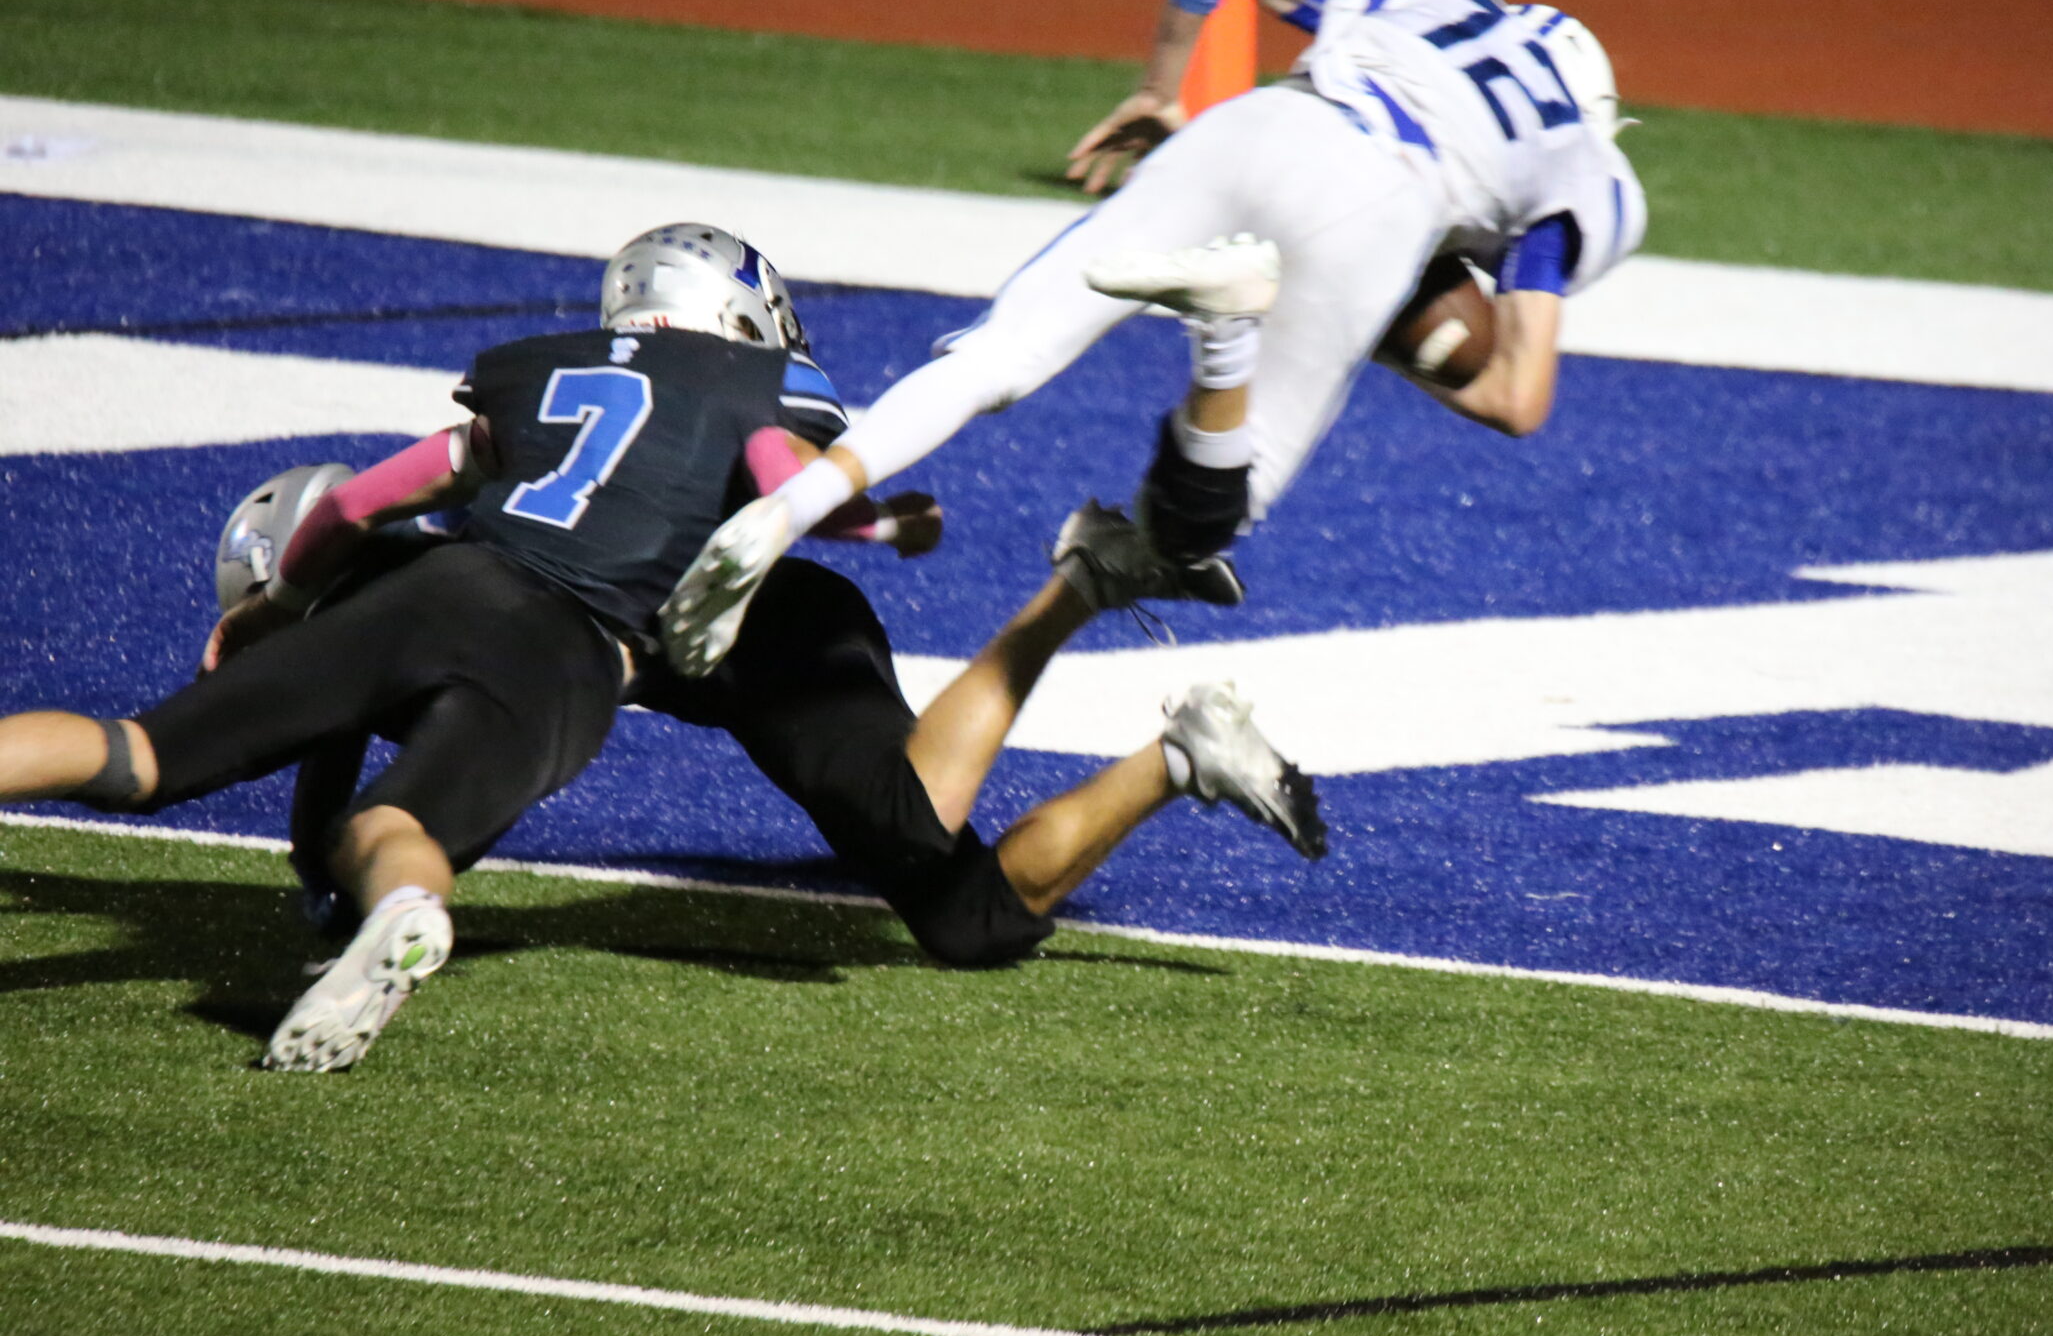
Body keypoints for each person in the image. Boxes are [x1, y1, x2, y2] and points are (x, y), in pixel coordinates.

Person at [0, 224, 1322, 1072]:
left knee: (169, 756)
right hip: (651, 623)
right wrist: (874, 519)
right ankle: (1096, 610)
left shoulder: (535, 382)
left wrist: (281, 610)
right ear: (739, 314)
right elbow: (786, 478)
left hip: (605, 608)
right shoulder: (760, 391)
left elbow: (361, 517)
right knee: (949, 893)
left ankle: (1106, 626)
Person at [657, 0, 1648, 679]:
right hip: (1380, 208)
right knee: (1212, 518)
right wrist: (1379, 331)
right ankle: (1226, 332)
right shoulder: (1582, 161)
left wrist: (1163, 89)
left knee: (998, 354)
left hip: (1260, 122)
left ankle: (787, 511)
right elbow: (1517, 400)